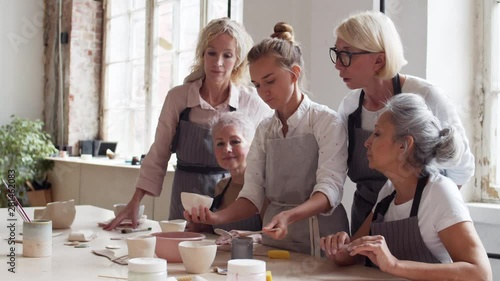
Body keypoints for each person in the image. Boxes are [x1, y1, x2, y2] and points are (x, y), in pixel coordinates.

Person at [185, 22, 349, 256]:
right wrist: (215, 217)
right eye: (257, 85)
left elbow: (329, 189)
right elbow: (252, 194)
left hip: (323, 242)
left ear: (294, 74)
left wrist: (288, 216)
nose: (263, 93)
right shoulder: (264, 129)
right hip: (276, 241)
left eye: (270, 81)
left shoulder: (326, 122)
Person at [103, 18, 272, 230]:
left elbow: (269, 155)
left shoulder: (252, 103)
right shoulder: (178, 98)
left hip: (233, 200)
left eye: (227, 55)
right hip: (186, 197)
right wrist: (135, 202)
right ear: (202, 54)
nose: (218, 62)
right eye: (211, 53)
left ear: (237, 60)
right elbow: (159, 152)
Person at [331, 11, 475, 234]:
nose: (338, 65)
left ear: (379, 59)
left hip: (419, 219)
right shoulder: (349, 108)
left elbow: (461, 168)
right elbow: (336, 168)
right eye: (337, 54)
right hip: (366, 216)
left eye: (347, 55)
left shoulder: (427, 97)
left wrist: (433, 209)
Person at [320, 93, 492, 281]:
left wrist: (394, 265)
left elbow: (480, 274)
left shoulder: (439, 193)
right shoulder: (388, 191)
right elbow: (355, 252)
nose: (367, 142)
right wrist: (341, 249)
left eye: (377, 134)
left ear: (404, 145)